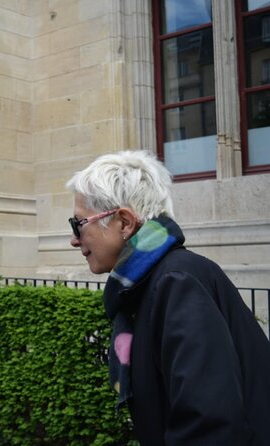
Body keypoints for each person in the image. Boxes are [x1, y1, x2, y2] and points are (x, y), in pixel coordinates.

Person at [65, 150, 270, 445]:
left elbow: (209, 425)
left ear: (124, 222)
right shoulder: (153, 282)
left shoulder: (176, 281)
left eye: (79, 224)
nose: (73, 239)